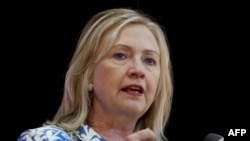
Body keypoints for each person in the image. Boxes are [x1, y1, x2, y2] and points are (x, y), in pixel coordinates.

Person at [17, 8, 174, 141]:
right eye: (120, 55)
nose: (138, 70)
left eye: (149, 60)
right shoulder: (44, 139)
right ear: (88, 74)